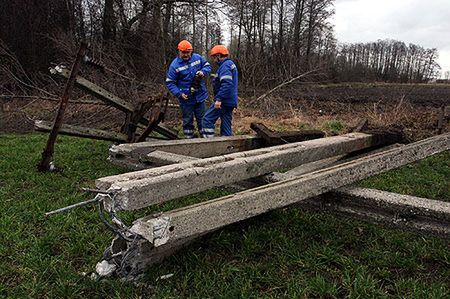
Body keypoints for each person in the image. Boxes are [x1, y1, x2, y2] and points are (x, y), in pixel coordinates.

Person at [165, 40, 211, 138]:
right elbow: (170, 82)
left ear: (191, 51)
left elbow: (207, 66)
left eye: (188, 52)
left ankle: (206, 140)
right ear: (179, 52)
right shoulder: (174, 65)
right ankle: (189, 140)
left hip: (200, 96)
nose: (186, 55)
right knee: (187, 121)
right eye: (184, 53)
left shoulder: (198, 58)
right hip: (186, 99)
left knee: (203, 120)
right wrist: (179, 94)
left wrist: (203, 71)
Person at [202, 45, 238, 138]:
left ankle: (208, 144)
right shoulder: (230, 64)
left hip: (224, 101)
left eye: (214, 57)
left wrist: (219, 99)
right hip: (230, 101)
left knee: (207, 119)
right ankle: (228, 146)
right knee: (226, 125)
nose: (214, 60)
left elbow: (226, 84)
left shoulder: (225, 66)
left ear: (219, 55)